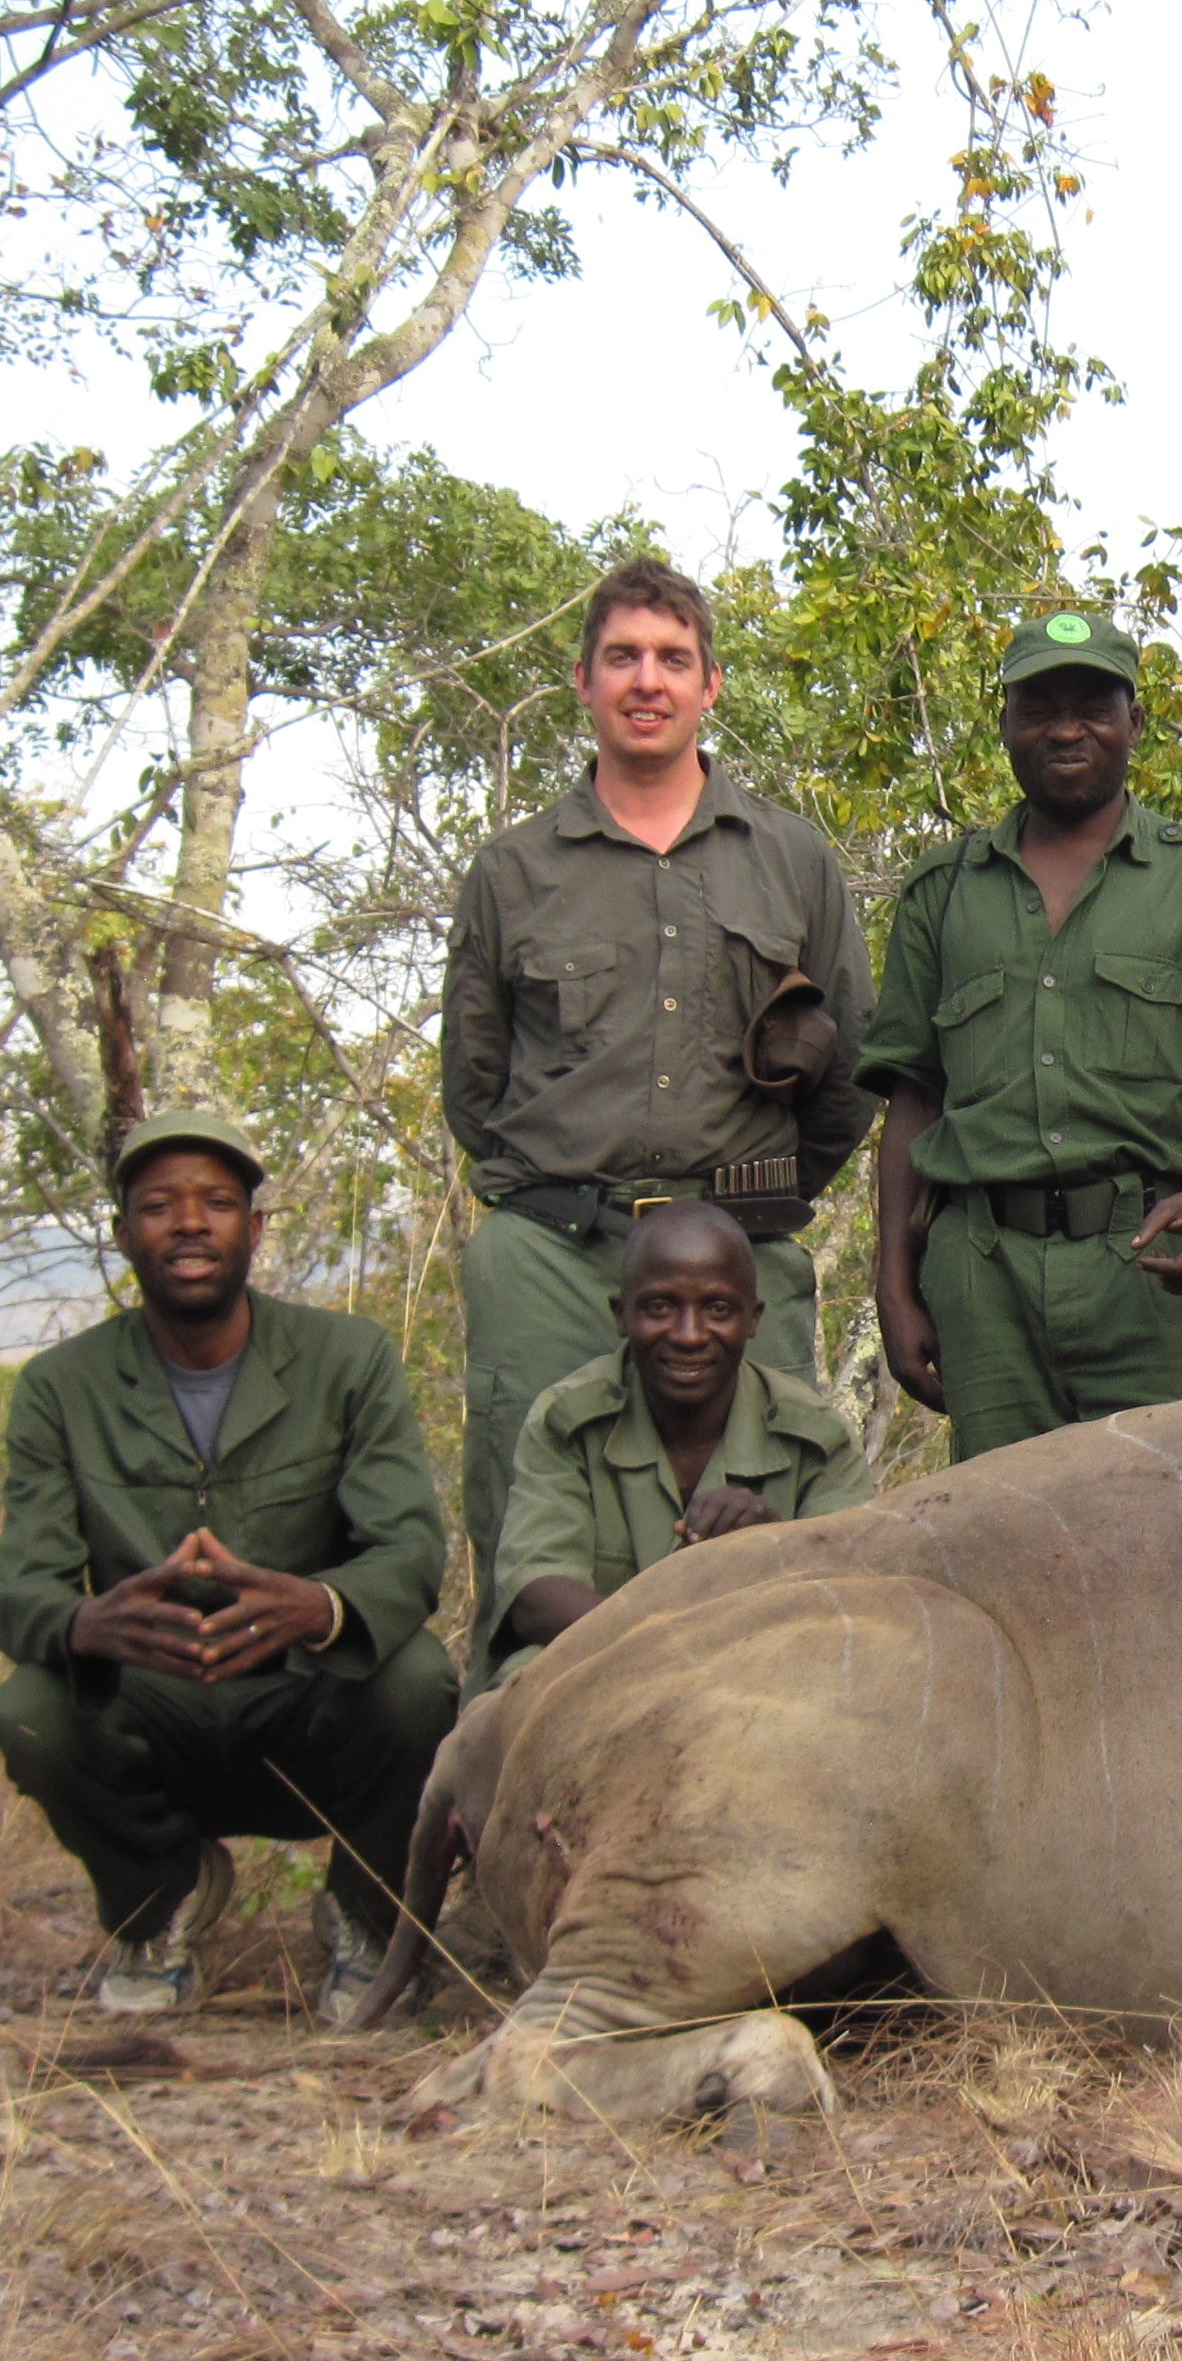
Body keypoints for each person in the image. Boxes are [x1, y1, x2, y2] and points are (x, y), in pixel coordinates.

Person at [440, 556, 873, 1645]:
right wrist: (553, 1190)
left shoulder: (789, 860)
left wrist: (747, 1206)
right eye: (623, 657)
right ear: (582, 681)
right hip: (551, 1253)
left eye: (673, 659)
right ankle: (511, 1776)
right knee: (530, 1551)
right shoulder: (513, 871)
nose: (648, 680)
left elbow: (848, 1073)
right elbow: (474, 1083)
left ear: (710, 684)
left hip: (737, 1258)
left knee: (771, 1564)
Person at [0, 1110, 457, 2024]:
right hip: (154, 1705)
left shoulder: (347, 1360)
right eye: (159, 1206)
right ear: (124, 1234)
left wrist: (317, 1607)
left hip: (306, 1703)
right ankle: (158, 1902)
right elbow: (19, 1591)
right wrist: (88, 1625)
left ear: (255, 1229)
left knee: (422, 1681)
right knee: (30, 1713)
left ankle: (364, 1915)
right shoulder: (60, 1386)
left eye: (217, 1203)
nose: (190, 1223)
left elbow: (409, 1551)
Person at [860, 611, 1182, 1458]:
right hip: (981, 1272)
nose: (1067, 728)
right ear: (1003, 722)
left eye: (1094, 705)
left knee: (1180, 1530)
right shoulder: (942, 892)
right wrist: (894, 1284)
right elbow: (912, 1098)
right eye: (1039, 706)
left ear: (1135, 722)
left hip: (1152, 1267)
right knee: (1001, 1545)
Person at [484, 1200, 876, 1675]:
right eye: (659, 1307)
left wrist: (770, 1549)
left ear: (752, 1320)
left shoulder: (816, 1437)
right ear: (621, 1315)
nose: (689, 1334)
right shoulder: (568, 1421)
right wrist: (668, 1646)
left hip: (767, 1667)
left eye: (717, 1308)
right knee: (528, 1675)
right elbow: (537, 1596)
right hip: (611, 1661)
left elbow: (854, 1599)